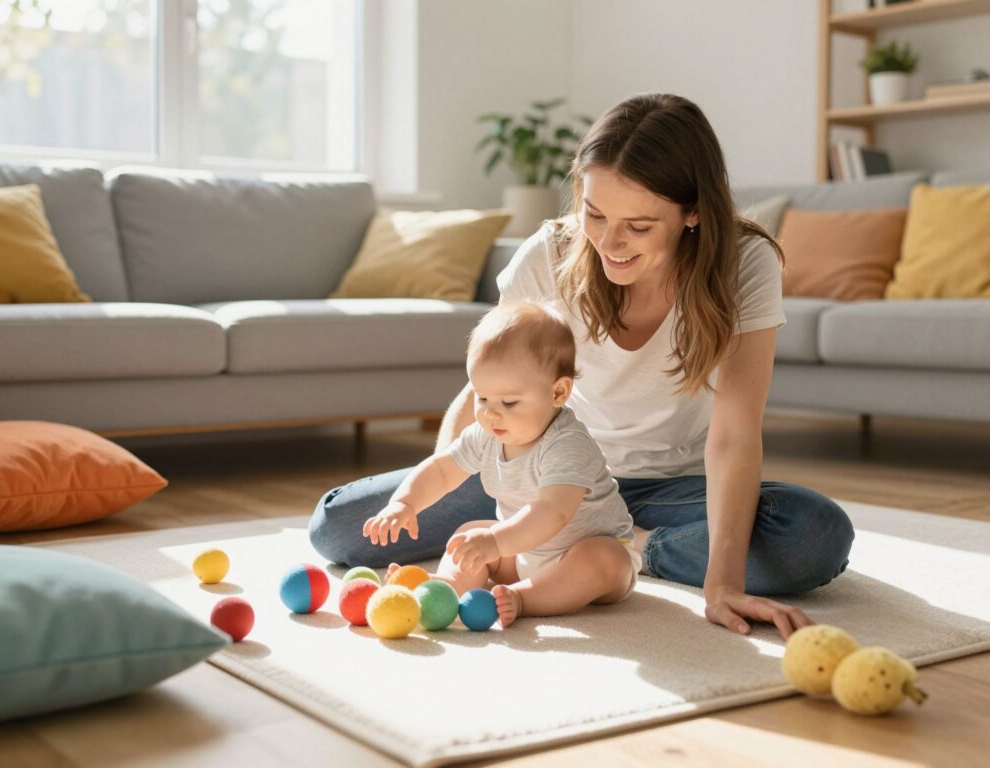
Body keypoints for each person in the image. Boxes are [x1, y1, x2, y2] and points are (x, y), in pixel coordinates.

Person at [310, 93, 855, 640]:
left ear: (694, 212)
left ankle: (630, 546)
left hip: (671, 487)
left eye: (638, 226)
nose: (609, 243)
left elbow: (735, 437)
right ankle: (577, 546)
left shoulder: (743, 262)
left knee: (812, 534)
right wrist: (452, 477)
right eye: (595, 214)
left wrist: (724, 585)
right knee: (338, 528)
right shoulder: (551, 253)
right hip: (539, 469)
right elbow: (491, 387)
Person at [362, 301, 641, 628]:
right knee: (469, 534)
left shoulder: (567, 444)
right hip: (522, 553)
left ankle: (524, 598)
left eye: (508, 402)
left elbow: (553, 511)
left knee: (604, 560)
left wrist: (497, 543)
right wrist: (404, 503)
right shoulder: (486, 434)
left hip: (581, 556)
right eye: (482, 398)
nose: (491, 414)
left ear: (558, 392)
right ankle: (449, 586)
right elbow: (441, 470)